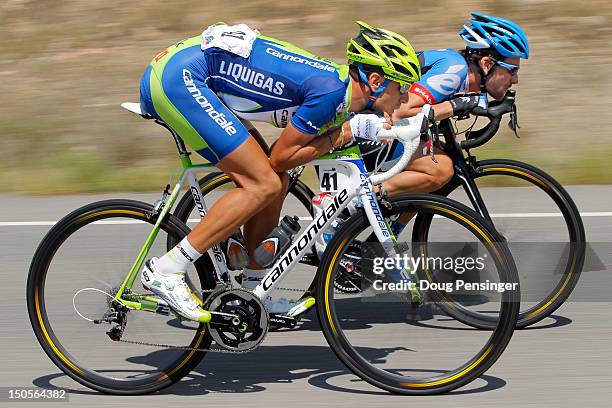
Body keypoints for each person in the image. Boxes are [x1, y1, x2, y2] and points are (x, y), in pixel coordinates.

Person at [137, 21, 421, 320]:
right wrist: (347, 132)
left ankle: (255, 290)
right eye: (401, 86)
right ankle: (168, 269)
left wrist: (346, 131)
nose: (405, 98)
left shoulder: (336, 90)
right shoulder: (331, 92)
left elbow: (284, 160)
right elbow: (284, 156)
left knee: (276, 182)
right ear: (375, 81)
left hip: (191, 70)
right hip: (180, 78)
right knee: (262, 184)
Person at [358, 12, 530, 236]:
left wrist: (463, 104)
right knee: (438, 170)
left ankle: (378, 243)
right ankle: (360, 200)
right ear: (487, 64)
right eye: (512, 71)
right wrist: (461, 103)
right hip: (364, 128)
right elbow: (402, 112)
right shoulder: (455, 70)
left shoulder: (464, 77)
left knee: (433, 177)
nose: (515, 79)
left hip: (380, 129)